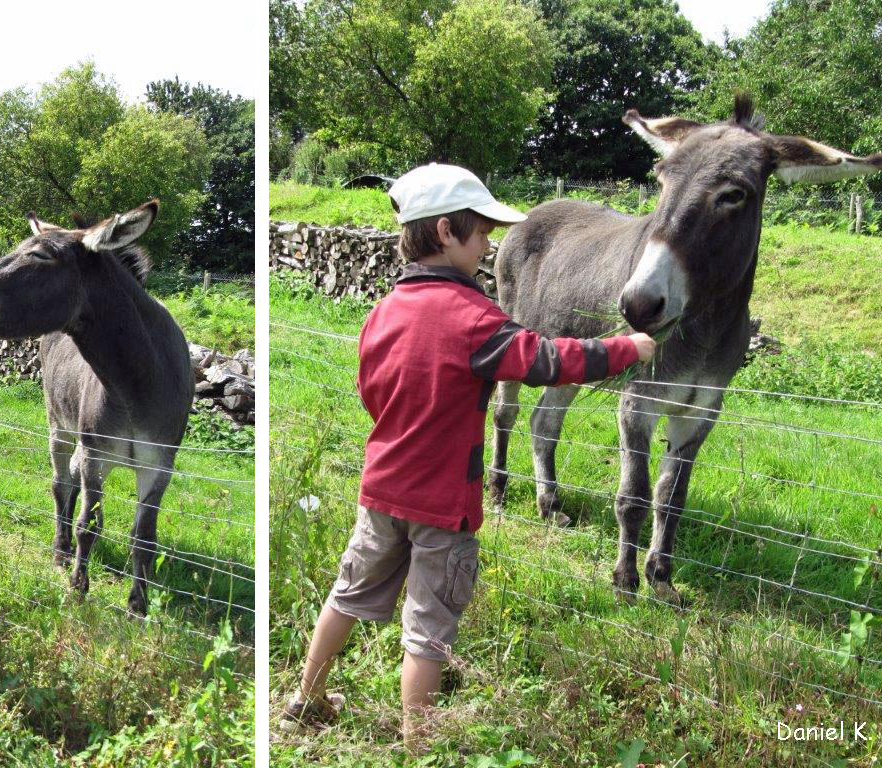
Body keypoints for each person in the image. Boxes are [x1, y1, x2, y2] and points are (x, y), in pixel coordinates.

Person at [280, 164, 657, 751]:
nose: (489, 245)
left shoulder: (384, 311)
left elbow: (369, 391)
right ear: (447, 233)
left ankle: (306, 699)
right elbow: (547, 363)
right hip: (443, 507)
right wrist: (626, 347)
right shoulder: (475, 320)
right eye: (481, 232)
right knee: (427, 634)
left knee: (346, 594)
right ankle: (417, 745)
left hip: (380, 489)